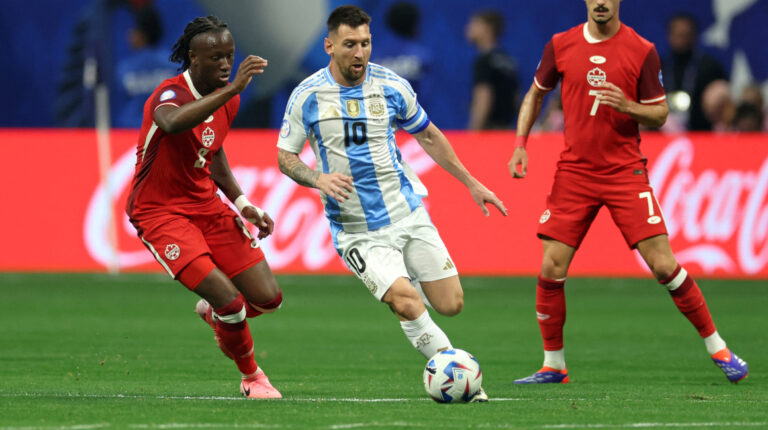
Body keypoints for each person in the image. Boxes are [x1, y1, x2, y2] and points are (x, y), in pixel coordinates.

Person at [507, 0, 748, 384]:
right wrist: (521, 143)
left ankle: (719, 347)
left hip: (623, 171)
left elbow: (660, 113)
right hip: (575, 172)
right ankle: (553, 364)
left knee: (664, 266)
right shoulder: (561, 44)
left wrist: (628, 105)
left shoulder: (642, 50)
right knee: (551, 267)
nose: (601, 2)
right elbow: (536, 94)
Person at [276, 5, 506, 401]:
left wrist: (471, 182)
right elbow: (285, 156)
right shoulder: (307, 96)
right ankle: (459, 379)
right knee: (407, 302)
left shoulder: (392, 86)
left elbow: (429, 135)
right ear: (329, 46)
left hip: (407, 213)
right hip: (357, 231)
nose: (359, 53)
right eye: (349, 44)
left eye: (365, 43)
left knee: (451, 304)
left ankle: (405, 286)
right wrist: (318, 178)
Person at [125, 16, 284, 399]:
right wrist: (231, 91)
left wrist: (242, 201)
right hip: (159, 212)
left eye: (230, 56)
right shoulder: (168, 95)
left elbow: (212, 152)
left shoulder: (227, 98)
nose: (226, 65)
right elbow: (175, 123)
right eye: (216, 58)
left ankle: (218, 317)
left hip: (205, 205)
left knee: (268, 298)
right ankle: (252, 378)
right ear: (193, 59)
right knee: (230, 300)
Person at [661, 13, 727, 131]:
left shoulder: (710, 68)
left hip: (702, 130)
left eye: (686, 35)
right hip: (660, 131)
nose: (682, 39)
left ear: (694, 36)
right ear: (669, 36)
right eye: (679, 35)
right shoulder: (657, 67)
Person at [113, 5, 176, 128]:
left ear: (141, 34)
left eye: (134, 30)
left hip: (130, 133)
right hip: (166, 131)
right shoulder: (175, 66)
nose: (129, 34)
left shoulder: (125, 69)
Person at [465, 10, 519, 130]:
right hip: (507, 130)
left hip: (488, 130)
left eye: (474, 24)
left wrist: (474, 130)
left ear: (487, 29)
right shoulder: (509, 61)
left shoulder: (484, 61)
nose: (468, 27)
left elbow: (483, 96)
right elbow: (516, 98)